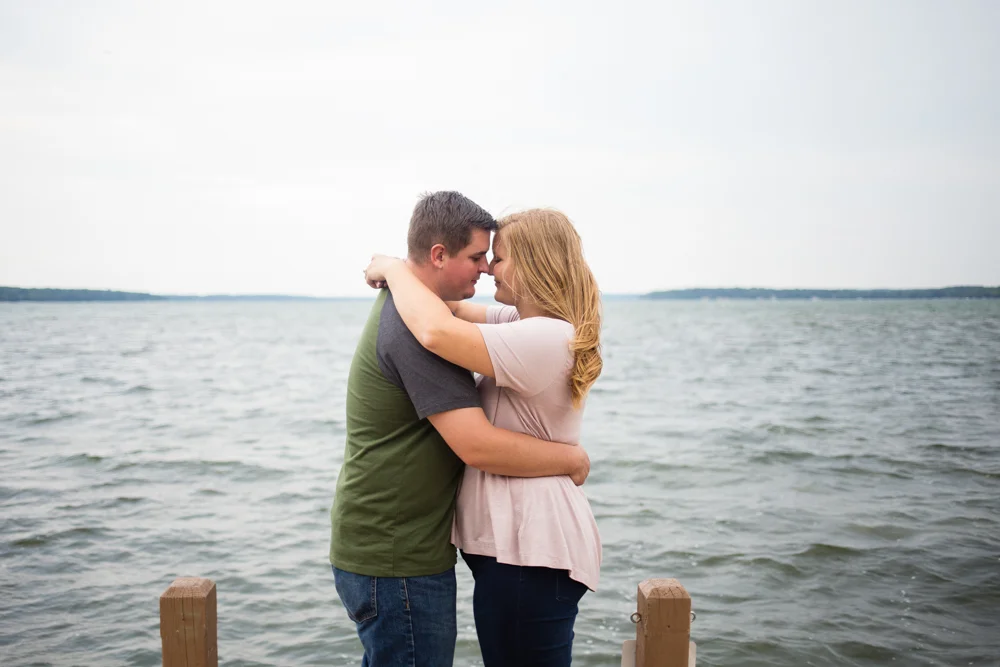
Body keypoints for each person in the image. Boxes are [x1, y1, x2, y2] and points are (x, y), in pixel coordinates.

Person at [330, 192, 590, 667]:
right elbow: (443, 320)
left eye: (497, 257)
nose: (488, 268)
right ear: (438, 255)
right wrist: (396, 270)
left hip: (528, 549)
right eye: (479, 257)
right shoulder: (515, 322)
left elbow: (439, 329)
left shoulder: (542, 333)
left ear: (533, 265)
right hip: (446, 552)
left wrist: (395, 269)